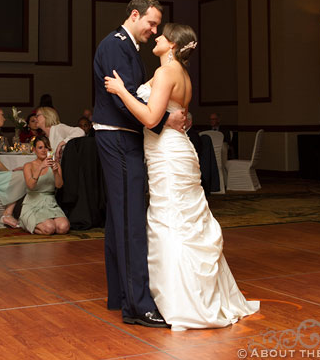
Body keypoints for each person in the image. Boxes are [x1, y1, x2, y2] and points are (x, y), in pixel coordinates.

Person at [105, 22, 259, 331]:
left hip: (167, 154)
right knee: (187, 222)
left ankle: (181, 301)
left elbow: (151, 118)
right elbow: (171, 113)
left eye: (162, 35)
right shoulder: (182, 75)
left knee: (171, 221)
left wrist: (122, 91)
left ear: (173, 44)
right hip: (178, 151)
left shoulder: (166, 73)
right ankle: (198, 294)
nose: (157, 36)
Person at [93, 0, 185, 329]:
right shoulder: (117, 45)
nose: (154, 30)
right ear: (135, 15)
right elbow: (124, 100)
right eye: (152, 23)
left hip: (119, 136)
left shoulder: (126, 46)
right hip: (118, 136)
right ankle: (138, 306)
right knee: (131, 218)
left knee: (121, 218)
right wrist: (161, 122)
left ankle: (120, 295)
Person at [19, 136, 69, 235]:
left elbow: (59, 186)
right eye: (40, 148)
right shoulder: (28, 166)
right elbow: (31, 186)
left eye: (46, 147)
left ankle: (35, 224)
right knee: (49, 228)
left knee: (63, 228)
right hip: (32, 204)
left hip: (50, 203)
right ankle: (26, 223)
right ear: (34, 150)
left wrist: (55, 172)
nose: (43, 150)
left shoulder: (56, 164)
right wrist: (40, 167)